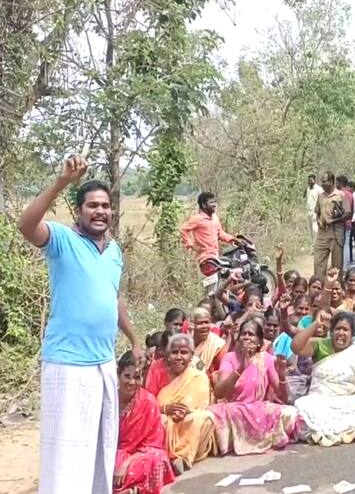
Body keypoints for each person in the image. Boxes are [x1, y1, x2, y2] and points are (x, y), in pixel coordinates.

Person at [16, 155, 141, 494]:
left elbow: (114, 299)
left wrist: (133, 339)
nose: (100, 211)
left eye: (105, 205)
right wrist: (61, 182)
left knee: (99, 453)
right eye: (91, 205)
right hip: (68, 364)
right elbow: (26, 226)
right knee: (66, 459)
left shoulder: (114, 251)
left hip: (103, 364)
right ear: (79, 211)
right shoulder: (61, 240)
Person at [292, 311, 355, 446]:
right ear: (331, 332)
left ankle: (341, 431)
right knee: (303, 406)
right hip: (319, 399)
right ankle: (350, 431)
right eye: (338, 329)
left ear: (353, 335)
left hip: (346, 400)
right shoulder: (320, 345)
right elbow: (296, 347)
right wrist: (316, 324)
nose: (341, 333)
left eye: (345, 330)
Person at [210, 320, 302, 455]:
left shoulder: (267, 359)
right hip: (233, 409)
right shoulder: (229, 358)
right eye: (243, 334)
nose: (246, 337)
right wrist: (241, 367)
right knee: (211, 416)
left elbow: (284, 397)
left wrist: (282, 375)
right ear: (238, 339)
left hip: (258, 409)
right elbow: (219, 393)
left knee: (292, 414)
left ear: (259, 342)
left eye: (251, 334)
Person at [114, 351, 175, 494]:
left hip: (140, 455)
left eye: (136, 377)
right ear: (118, 375)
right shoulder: (109, 399)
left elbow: (153, 444)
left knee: (158, 459)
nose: (131, 382)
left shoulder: (148, 402)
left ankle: (132, 489)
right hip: (113, 452)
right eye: (127, 376)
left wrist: (126, 464)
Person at [157, 334, 216, 474]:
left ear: (191, 356)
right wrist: (165, 409)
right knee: (160, 420)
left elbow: (200, 404)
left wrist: (185, 411)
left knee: (205, 418)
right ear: (168, 356)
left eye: (183, 352)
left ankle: (183, 457)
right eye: (174, 352)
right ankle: (167, 456)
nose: (178, 357)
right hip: (164, 420)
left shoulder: (199, 376)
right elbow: (147, 404)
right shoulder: (157, 374)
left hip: (188, 422)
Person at [180, 191, 238, 276]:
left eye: (215, 202)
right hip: (206, 259)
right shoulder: (197, 219)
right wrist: (191, 244)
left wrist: (234, 239)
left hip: (216, 257)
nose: (214, 205)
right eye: (211, 202)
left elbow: (220, 233)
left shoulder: (214, 218)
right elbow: (183, 229)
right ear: (203, 205)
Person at [313, 171, 350, 277]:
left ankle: (336, 289)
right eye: (322, 182)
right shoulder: (320, 196)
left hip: (336, 234)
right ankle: (319, 288)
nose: (323, 184)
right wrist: (319, 221)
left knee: (336, 266)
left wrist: (334, 220)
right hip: (322, 233)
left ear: (332, 181)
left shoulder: (340, 195)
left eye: (325, 182)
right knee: (318, 263)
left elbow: (348, 213)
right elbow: (317, 212)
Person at [191, 308, 229, 384]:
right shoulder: (186, 341)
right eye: (200, 323)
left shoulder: (217, 345)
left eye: (206, 322)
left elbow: (222, 373)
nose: (204, 326)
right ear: (192, 325)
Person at [336, 174, 355, 267]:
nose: (336, 184)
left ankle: (339, 265)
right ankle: (345, 266)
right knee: (346, 245)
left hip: (338, 224)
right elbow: (352, 210)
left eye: (337, 182)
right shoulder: (351, 195)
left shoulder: (338, 193)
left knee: (339, 245)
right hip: (348, 223)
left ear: (341, 183)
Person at [305, 173, 324, 245]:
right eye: (309, 180)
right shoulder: (308, 189)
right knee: (310, 230)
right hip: (308, 211)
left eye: (311, 180)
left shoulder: (319, 189)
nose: (310, 182)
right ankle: (312, 245)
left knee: (315, 229)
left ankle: (316, 244)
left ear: (315, 180)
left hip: (315, 212)